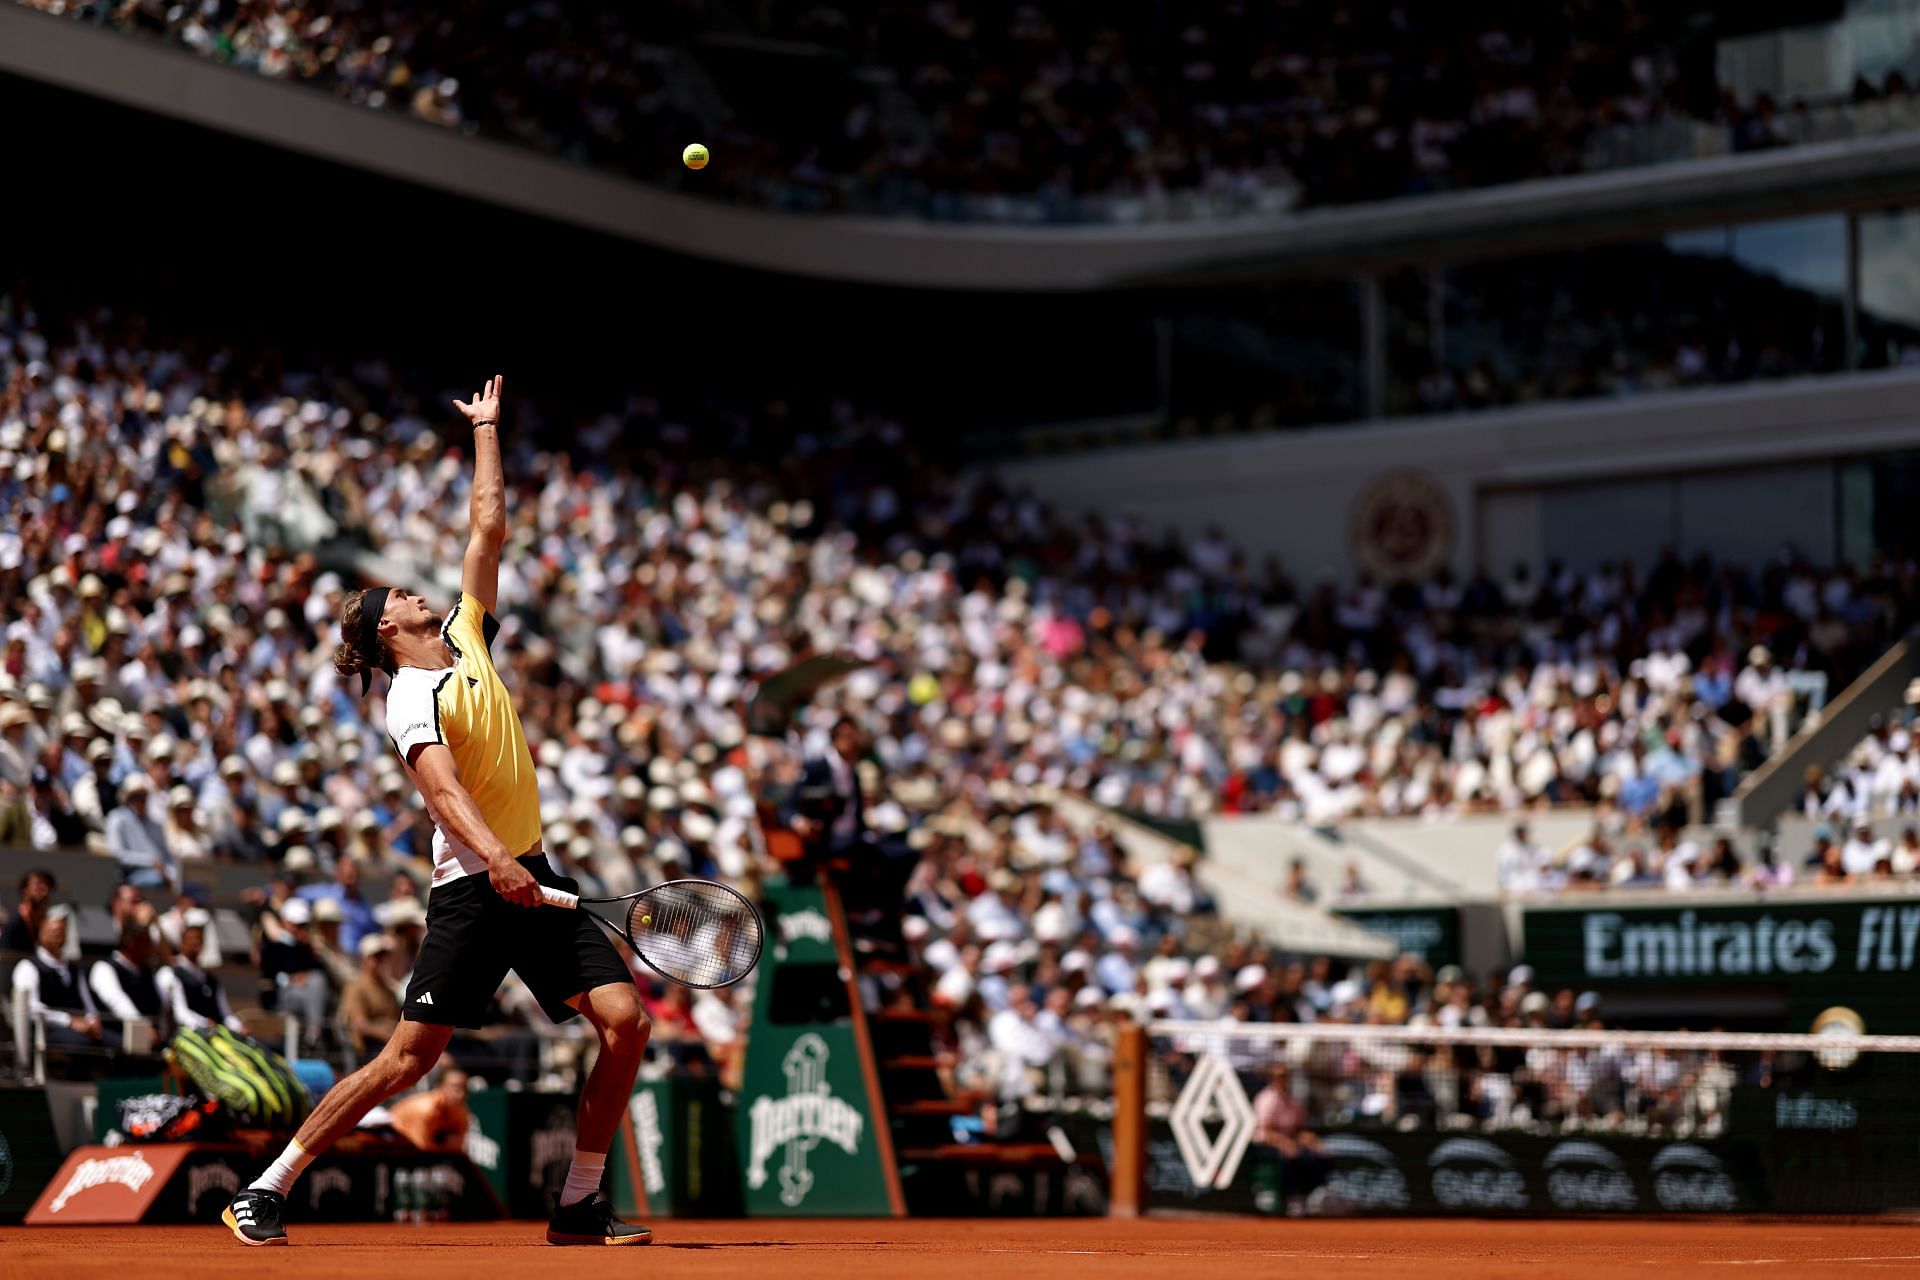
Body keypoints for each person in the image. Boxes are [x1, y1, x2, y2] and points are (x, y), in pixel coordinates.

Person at [226, 376, 651, 1248]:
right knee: (409, 1059)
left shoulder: (466, 637)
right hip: (474, 886)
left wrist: (487, 432)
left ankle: (578, 1201)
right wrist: (494, 860)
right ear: (388, 630)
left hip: (531, 871)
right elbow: (442, 792)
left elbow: (488, 525)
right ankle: (268, 1186)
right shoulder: (409, 695)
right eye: (401, 599)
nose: (416, 595)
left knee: (625, 1022)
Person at [10, 908, 105, 1057]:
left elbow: (88, 1005)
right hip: (49, 1031)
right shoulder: (28, 967)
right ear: (41, 934)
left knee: (114, 1041)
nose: (58, 936)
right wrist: (68, 1021)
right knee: (80, 1044)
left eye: (61, 932)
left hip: (81, 1027)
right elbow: (30, 1009)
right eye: (53, 931)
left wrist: (92, 1021)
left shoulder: (74, 970)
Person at [1250, 1062, 1329, 1213]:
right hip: (1266, 1145)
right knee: (1290, 1156)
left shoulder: (1294, 1100)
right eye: (1280, 1076)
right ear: (1272, 1079)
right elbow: (1265, 1131)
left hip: (1290, 1143)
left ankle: (1314, 1194)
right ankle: (1294, 1198)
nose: (1284, 1079)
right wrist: (1284, 1143)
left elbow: (1299, 1130)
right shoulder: (1266, 1099)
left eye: (1286, 1076)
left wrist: (1314, 1141)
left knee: (1317, 1155)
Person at [156, 909, 248, 1034]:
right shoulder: (169, 974)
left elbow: (225, 1013)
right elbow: (180, 1014)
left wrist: (238, 1027)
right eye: (191, 938)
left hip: (215, 1036)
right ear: (182, 942)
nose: (195, 943)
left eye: (199, 939)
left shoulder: (211, 980)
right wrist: (204, 1023)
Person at [89, 921, 165, 1036]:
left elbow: (160, 1006)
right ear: (131, 942)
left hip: (150, 1039)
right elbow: (117, 1001)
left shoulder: (148, 972)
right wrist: (143, 1028)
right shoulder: (104, 968)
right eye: (146, 943)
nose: (150, 948)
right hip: (114, 1037)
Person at [338, 934, 403, 1063]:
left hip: (392, 1045)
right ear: (364, 959)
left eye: (383, 957)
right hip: (371, 1050)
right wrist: (389, 1036)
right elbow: (359, 1024)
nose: (381, 961)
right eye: (376, 957)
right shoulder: (356, 987)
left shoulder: (388, 989)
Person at [386, 1063, 471, 1153]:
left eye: (464, 1088)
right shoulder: (426, 1109)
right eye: (455, 1088)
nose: (461, 1094)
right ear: (441, 1087)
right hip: (390, 1139)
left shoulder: (462, 1112)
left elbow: (458, 1151)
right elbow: (422, 1150)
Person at [1, 868, 56, 952]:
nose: (44, 890)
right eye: (38, 885)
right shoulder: (14, 924)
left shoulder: (49, 924)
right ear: (25, 890)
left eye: (47, 885)